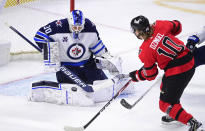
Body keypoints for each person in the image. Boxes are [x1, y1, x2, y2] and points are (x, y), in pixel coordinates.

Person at [28, 10, 134, 106]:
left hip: (88, 65)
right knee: (73, 95)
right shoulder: (58, 26)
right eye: (74, 27)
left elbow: (96, 45)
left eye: (80, 27)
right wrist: (52, 54)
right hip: (67, 67)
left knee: (104, 90)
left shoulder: (89, 26)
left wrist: (108, 57)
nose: (77, 30)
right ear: (69, 23)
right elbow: (39, 36)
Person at [128, 15, 205, 131]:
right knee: (165, 86)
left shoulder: (144, 51)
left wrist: (137, 75)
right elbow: (178, 26)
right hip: (189, 59)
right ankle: (175, 113)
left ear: (139, 32)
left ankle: (194, 124)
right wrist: (162, 31)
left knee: (164, 104)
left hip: (177, 71)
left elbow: (151, 74)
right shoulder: (159, 24)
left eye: (135, 31)